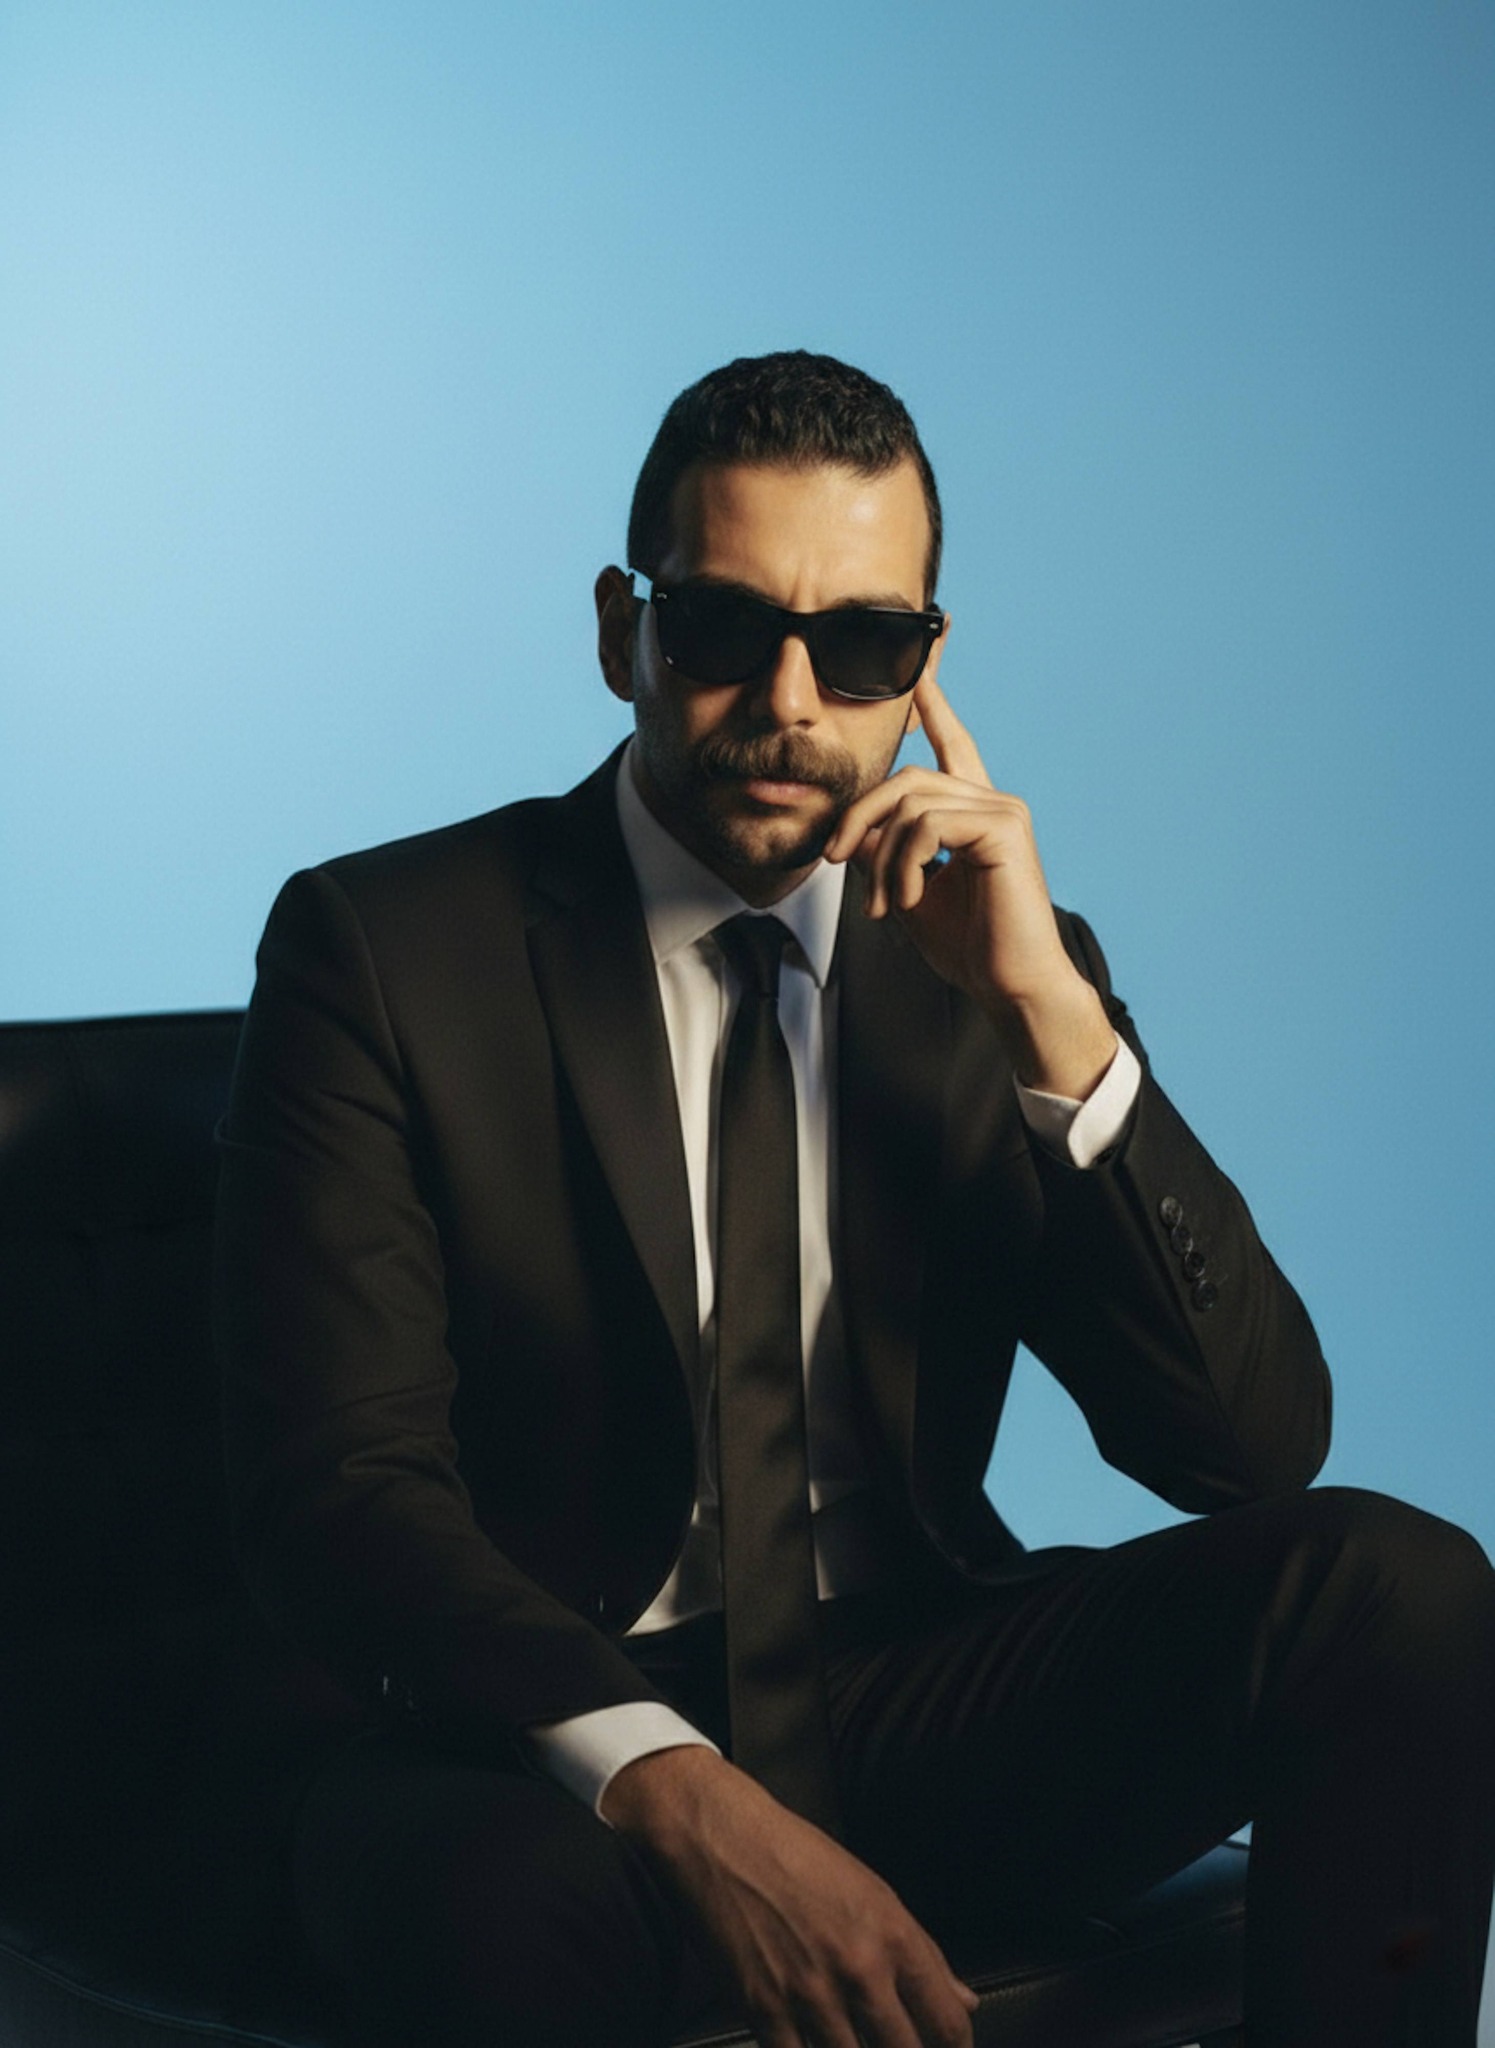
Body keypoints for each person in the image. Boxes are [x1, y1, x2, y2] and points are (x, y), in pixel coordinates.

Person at [214, 349, 1495, 2048]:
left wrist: (1050, 1016)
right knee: (503, 1921)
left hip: (906, 1681)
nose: (794, 701)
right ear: (626, 633)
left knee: (1401, 1592)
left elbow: (1246, 1450)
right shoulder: (383, 951)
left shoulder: (989, 968)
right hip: (534, 1733)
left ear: (928, 666)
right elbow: (350, 1492)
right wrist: (673, 1785)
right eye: (727, 628)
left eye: (865, 644)